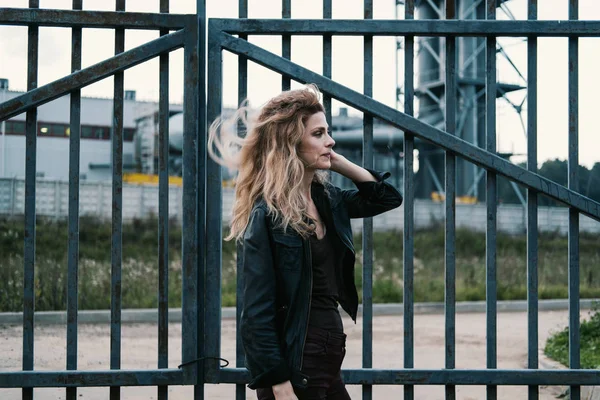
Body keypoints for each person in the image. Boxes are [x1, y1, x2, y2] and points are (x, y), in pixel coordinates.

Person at [208, 85, 403, 400]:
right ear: (290, 143)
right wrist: (280, 385)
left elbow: (387, 198)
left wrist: (336, 161)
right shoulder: (267, 216)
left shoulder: (328, 200)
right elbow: (256, 312)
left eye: (328, 132)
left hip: (327, 364)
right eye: (318, 134)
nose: (331, 140)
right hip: (297, 370)